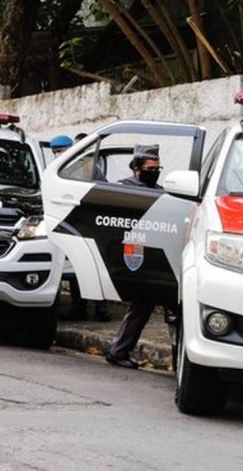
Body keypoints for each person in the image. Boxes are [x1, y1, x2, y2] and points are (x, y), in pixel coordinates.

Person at [105, 144, 163, 369]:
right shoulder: (125, 189)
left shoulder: (159, 190)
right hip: (133, 253)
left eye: (158, 167)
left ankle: (119, 350)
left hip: (154, 256)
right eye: (151, 168)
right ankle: (118, 350)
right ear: (137, 169)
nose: (155, 171)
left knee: (147, 305)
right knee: (143, 303)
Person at [57, 132, 112, 322]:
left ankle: (98, 309)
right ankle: (85, 308)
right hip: (78, 222)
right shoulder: (73, 168)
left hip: (88, 223)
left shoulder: (88, 167)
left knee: (91, 265)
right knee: (79, 266)